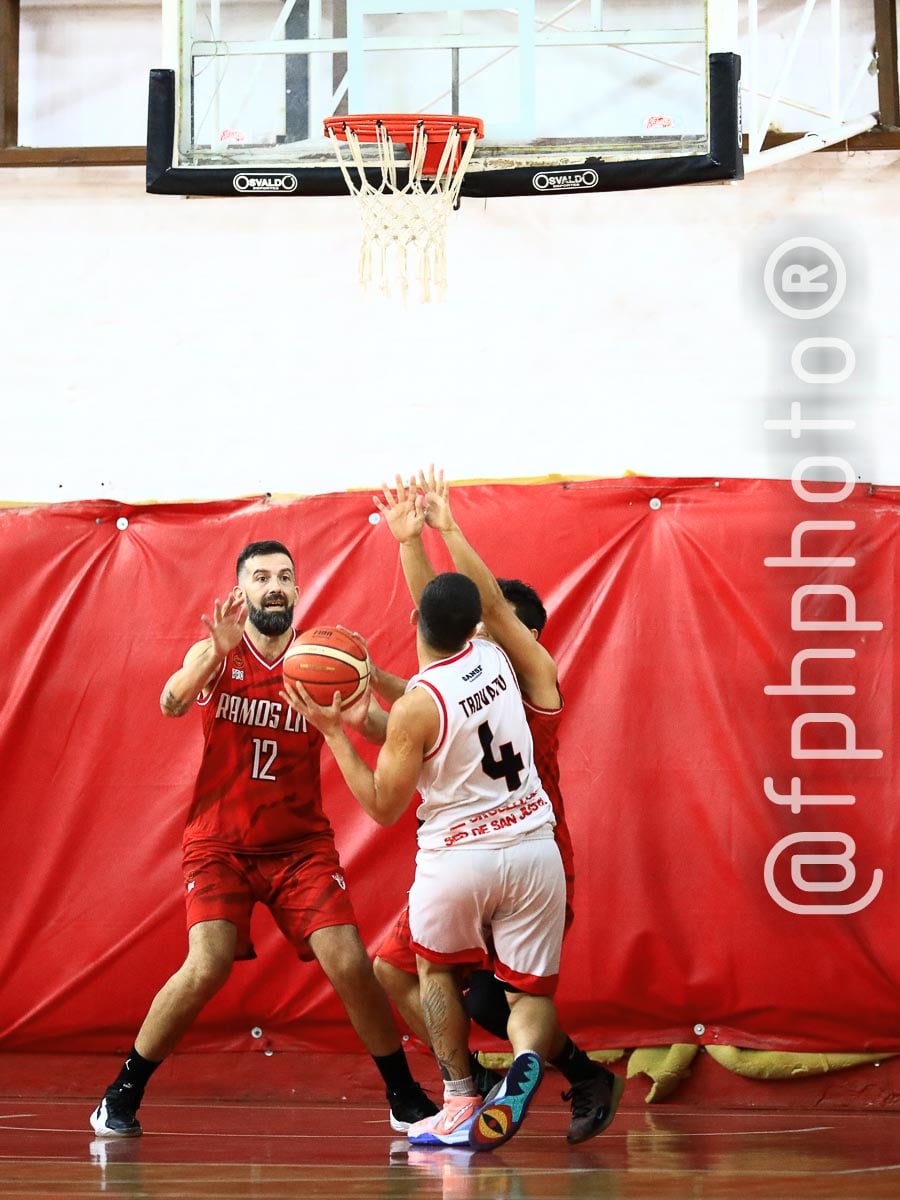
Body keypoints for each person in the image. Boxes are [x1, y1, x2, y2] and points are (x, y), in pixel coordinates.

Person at [90, 540, 437, 1138]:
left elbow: (388, 734)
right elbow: (170, 702)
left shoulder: (324, 660)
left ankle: (403, 1094)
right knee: (207, 964)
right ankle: (121, 1091)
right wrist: (209, 658)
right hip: (220, 844)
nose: (273, 586)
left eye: (284, 576)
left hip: (299, 846)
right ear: (241, 591)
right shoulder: (218, 654)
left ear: (298, 590)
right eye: (260, 577)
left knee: (351, 962)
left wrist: (367, 709)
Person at [369, 471, 624, 1145]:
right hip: (520, 848)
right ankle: (491, 1082)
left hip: (506, 845)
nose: (486, 624)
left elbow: (427, 700)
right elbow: (437, 668)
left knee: (481, 994)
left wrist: (350, 717)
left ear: (517, 632)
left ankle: (491, 1086)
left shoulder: (514, 667)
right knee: (407, 974)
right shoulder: (499, 669)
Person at [282, 570, 567, 1151]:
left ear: (414, 620)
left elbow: (385, 806)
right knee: (528, 998)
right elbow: (437, 721)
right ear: (478, 622)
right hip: (535, 847)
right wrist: (423, 535)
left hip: (460, 858)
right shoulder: (500, 659)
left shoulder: (418, 705)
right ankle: (526, 1061)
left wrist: (335, 733)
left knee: (429, 971)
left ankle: (461, 1097)